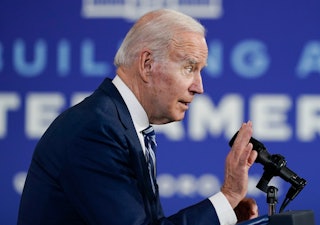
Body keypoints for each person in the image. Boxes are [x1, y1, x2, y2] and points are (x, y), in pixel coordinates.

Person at [17, 9, 259, 225]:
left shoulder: (122, 125)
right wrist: (226, 197)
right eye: (189, 68)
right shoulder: (96, 130)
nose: (199, 86)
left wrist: (225, 212)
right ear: (147, 64)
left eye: (200, 71)